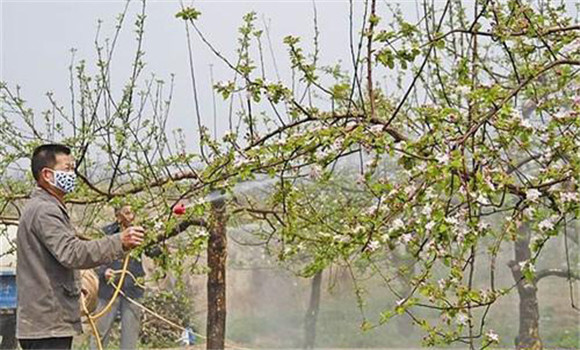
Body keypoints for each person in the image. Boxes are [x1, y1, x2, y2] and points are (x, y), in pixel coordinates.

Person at [16, 144, 145, 350]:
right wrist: (118, 242)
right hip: (47, 325)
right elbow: (72, 253)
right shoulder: (45, 211)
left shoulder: (46, 207)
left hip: (49, 322)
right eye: (67, 169)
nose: (72, 174)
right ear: (47, 175)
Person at [90, 205, 146, 350]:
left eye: (133, 212)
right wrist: (104, 271)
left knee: (130, 338)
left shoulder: (140, 233)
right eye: (127, 213)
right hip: (108, 290)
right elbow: (94, 257)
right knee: (99, 334)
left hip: (133, 290)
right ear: (118, 215)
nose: (131, 216)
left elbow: (155, 252)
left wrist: (158, 235)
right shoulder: (106, 233)